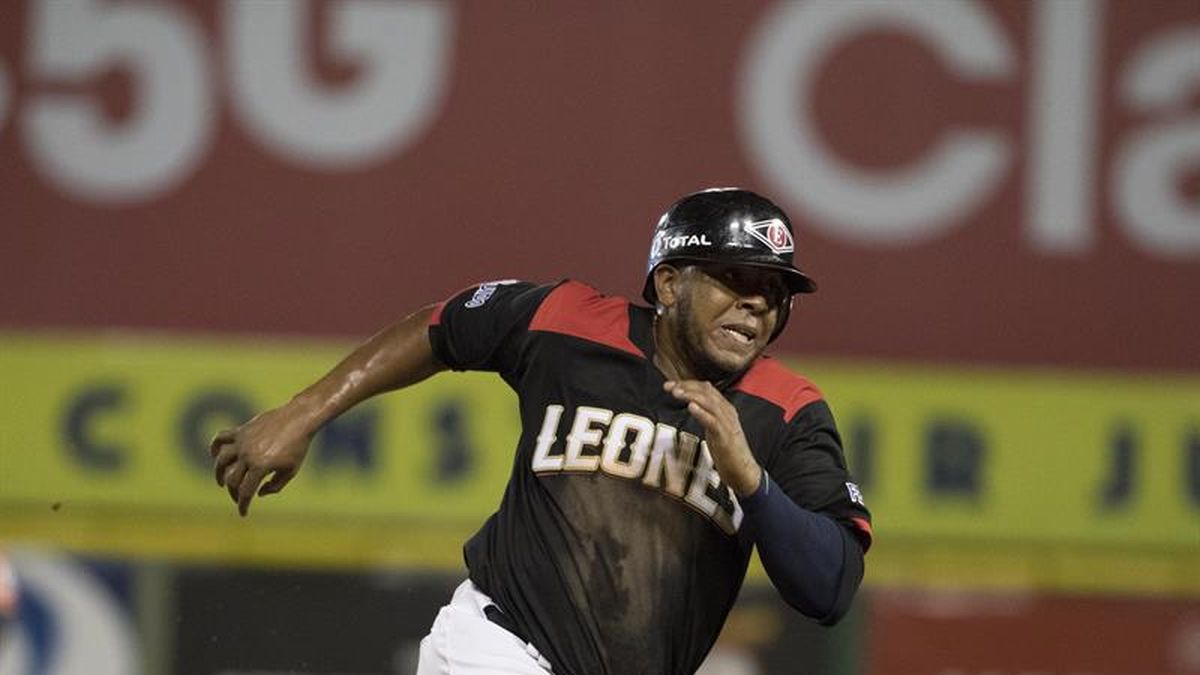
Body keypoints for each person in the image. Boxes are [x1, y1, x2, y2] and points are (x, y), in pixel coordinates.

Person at [211, 188, 872, 675]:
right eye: (736, 278)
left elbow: (831, 588)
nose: (757, 302)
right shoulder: (571, 324)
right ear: (669, 283)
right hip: (497, 645)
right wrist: (303, 411)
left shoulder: (788, 411)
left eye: (775, 290)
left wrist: (752, 482)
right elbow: (442, 328)